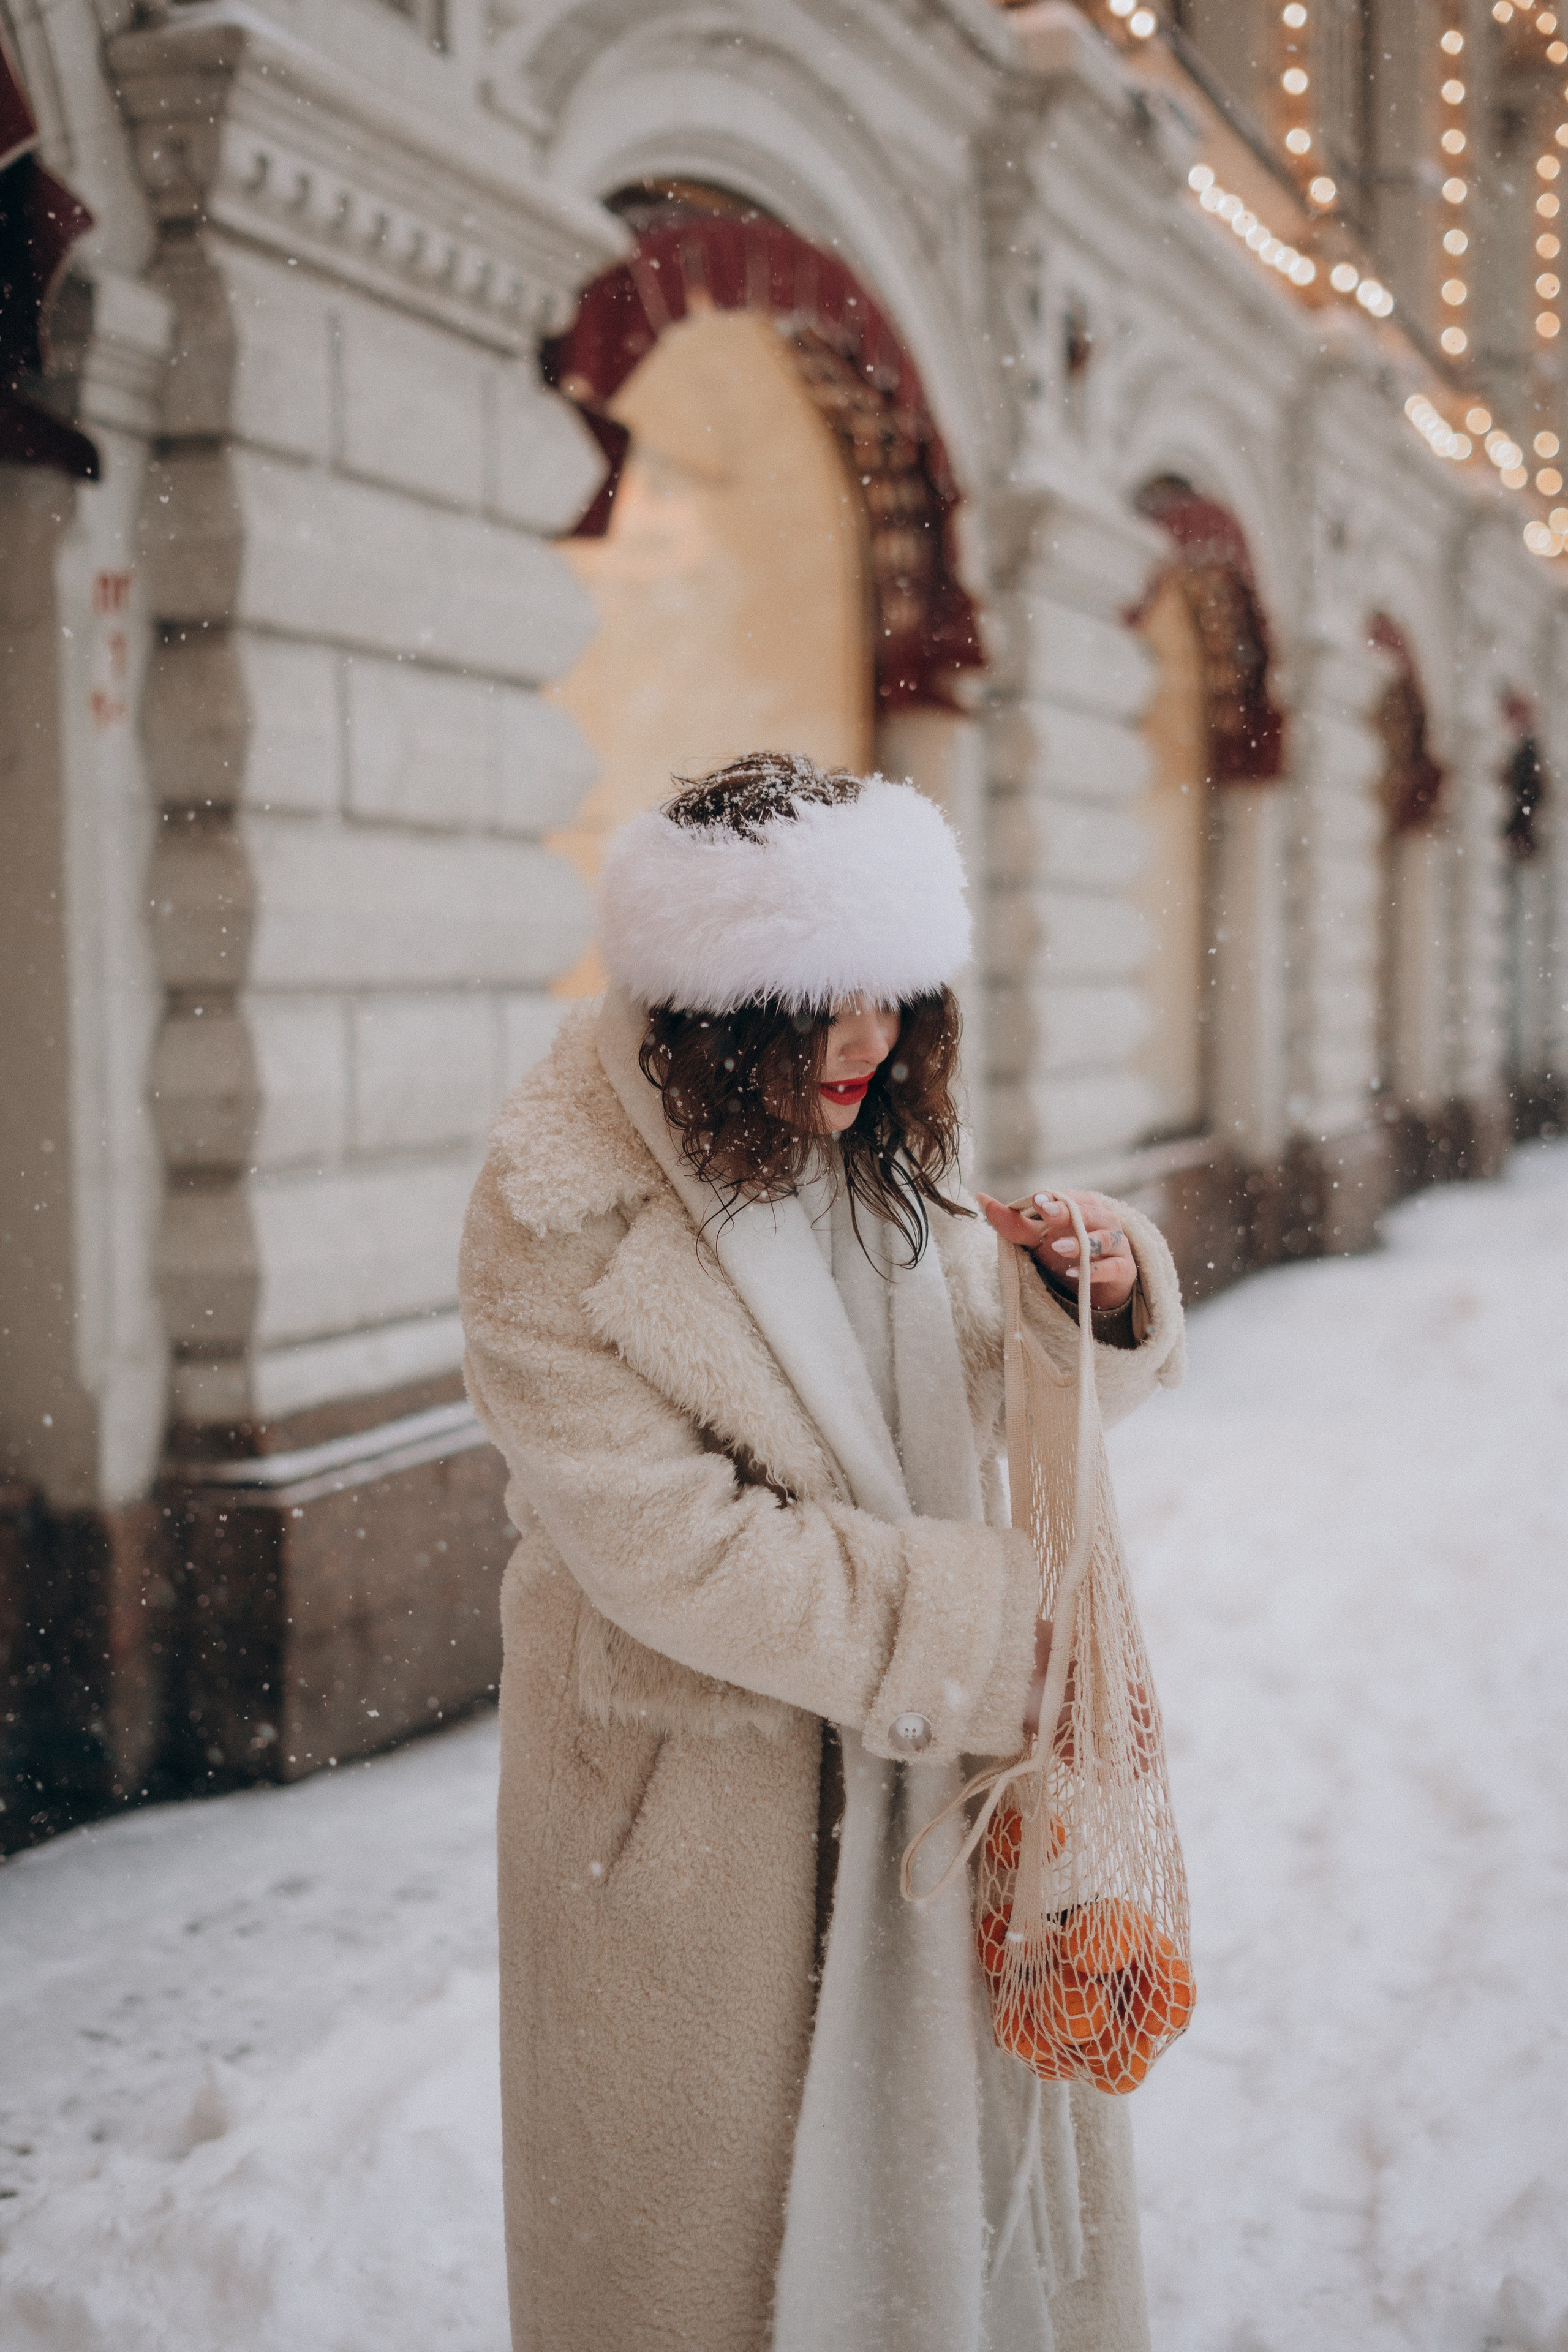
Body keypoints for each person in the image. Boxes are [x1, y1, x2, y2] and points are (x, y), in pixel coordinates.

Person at [458, 753, 1186, 2352]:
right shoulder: (552, 1202)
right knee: (712, 2272)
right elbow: (673, 1550)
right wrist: (989, 1635)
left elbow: (962, 1386)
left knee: (941, 2233)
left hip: (916, 1791)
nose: (868, 1042)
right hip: (687, 1826)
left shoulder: (869, 1136)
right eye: (817, 1003)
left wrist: (1096, 1293)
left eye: (896, 996)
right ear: (708, 1004)